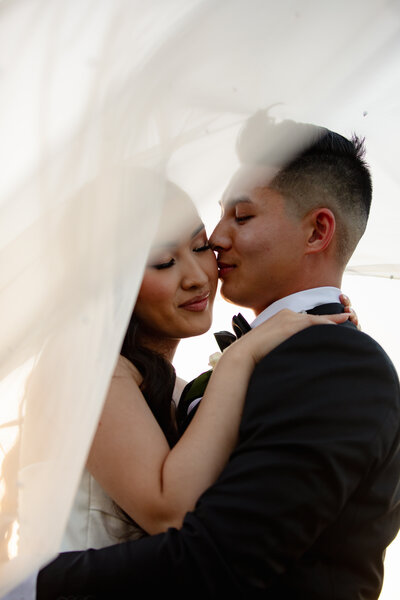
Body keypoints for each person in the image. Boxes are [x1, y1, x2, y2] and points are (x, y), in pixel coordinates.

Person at [37, 115, 400, 600]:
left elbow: (221, 555)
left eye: (240, 218)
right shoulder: (105, 367)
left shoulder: (333, 362)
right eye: (165, 260)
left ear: (317, 232)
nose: (215, 248)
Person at [61, 175, 348, 552]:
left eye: (200, 247)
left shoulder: (179, 391)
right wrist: (242, 356)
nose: (197, 278)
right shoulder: (86, 368)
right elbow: (171, 516)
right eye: (164, 262)